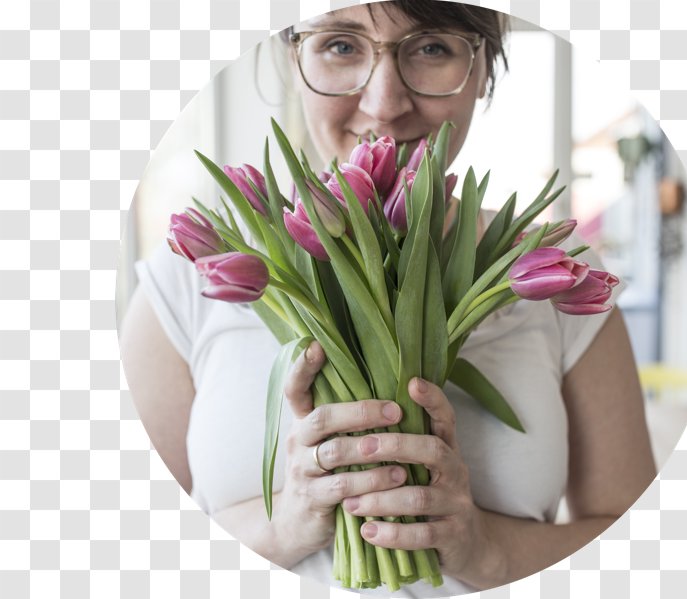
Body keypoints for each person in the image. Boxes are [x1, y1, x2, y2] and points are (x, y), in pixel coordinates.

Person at [119, 1, 657, 596]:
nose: (384, 104)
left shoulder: (563, 270)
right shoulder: (188, 280)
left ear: (483, 69)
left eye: (431, 49)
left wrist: (487, 552)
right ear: (293, 57)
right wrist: (286, 523)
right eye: (341, 45)